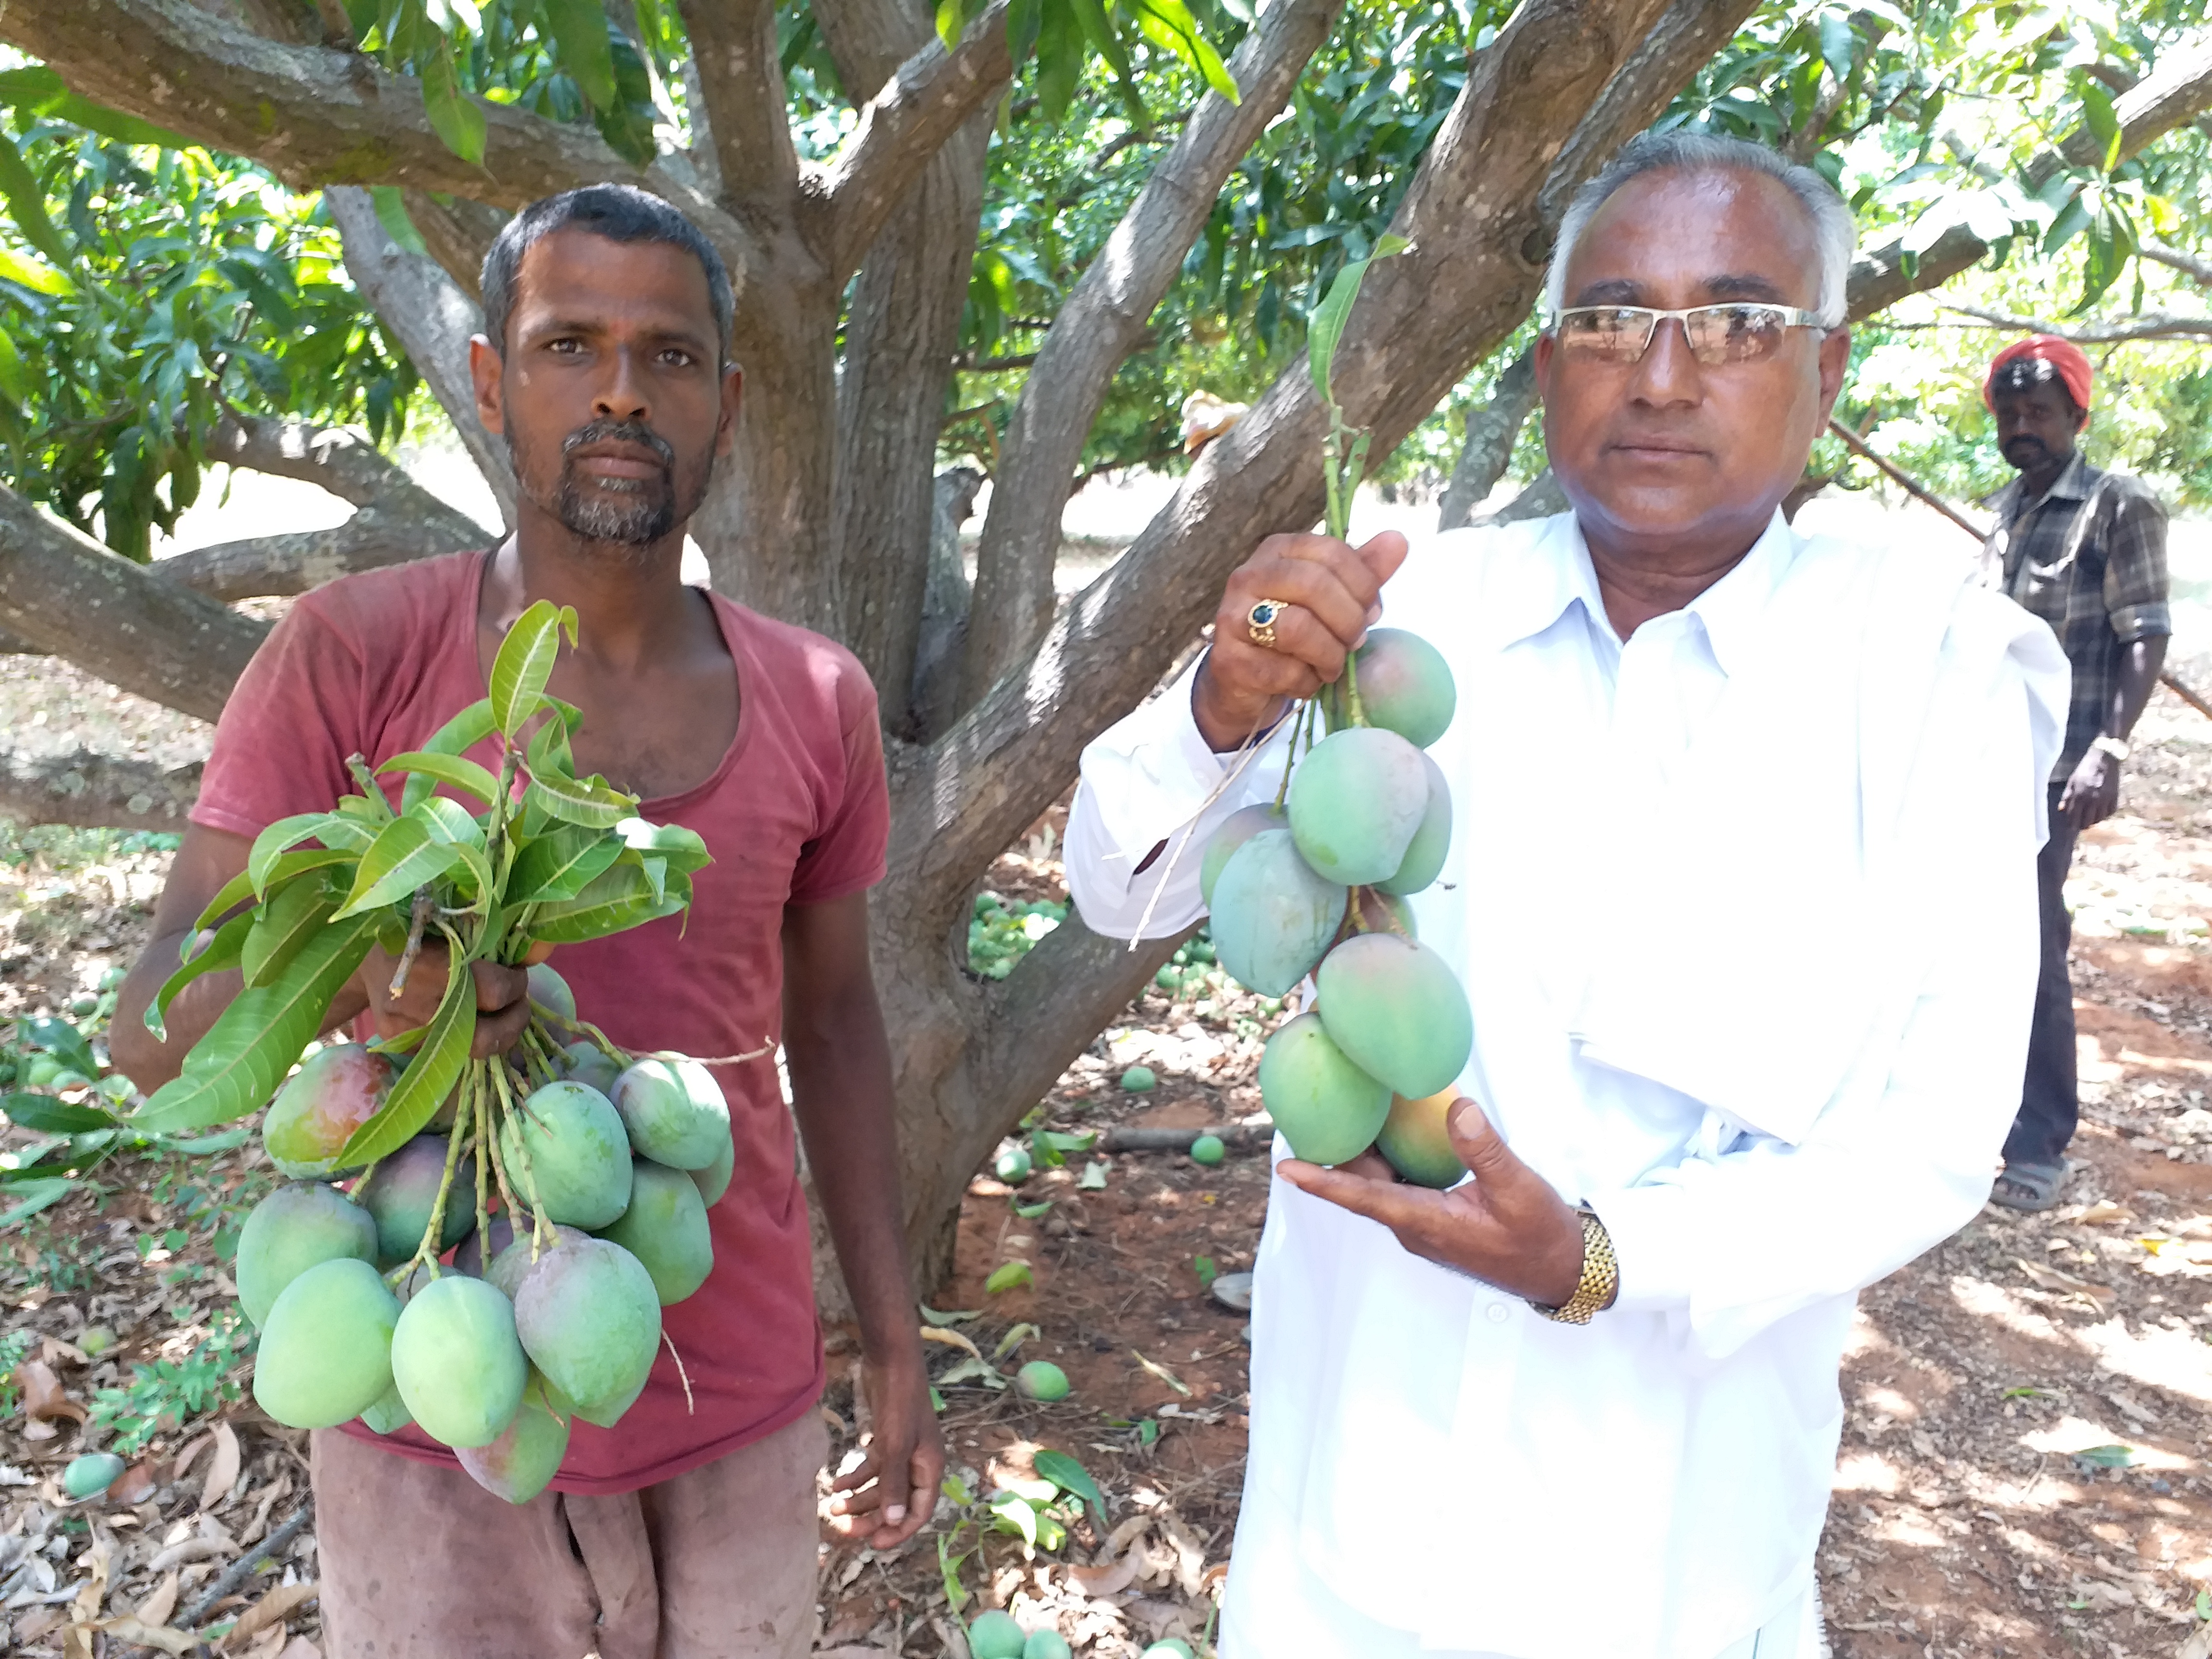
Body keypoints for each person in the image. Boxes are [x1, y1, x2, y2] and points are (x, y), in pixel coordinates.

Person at [1065, 133, 2067, 1659]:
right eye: (1610, 319)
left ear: (1830, 369)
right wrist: (1222, 695)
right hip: (1353, 1531)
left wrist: (1596, 1256)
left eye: (1736, 323)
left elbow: (1935, 1140)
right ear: (1548, 366)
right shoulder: (1402, 626)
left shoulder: (1929, 673)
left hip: (1666, 1559)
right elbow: (1117, 890)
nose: (1662, 376)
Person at [110, 185, 943, 1659]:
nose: (623, 387)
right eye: (571, 343)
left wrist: (890, 1340)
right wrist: (363, 975)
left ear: (728, 409)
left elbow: (837, 1022)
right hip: (442, 1429)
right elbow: (157, 1027)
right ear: (492, 382)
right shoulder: (350, 659)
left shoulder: (822, 698)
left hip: (736, 1408)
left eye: (670, 356)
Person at [1977, 335, 2171, 1212]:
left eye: (2040, 412)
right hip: (1983, 760)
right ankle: (1978, 1110)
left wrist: (2111, 747)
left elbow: (2146, 632)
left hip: (2057, 768)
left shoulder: (2115, 505)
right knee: (1976, 939)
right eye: (2010, 412)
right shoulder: (2004, 508)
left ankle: (2039, 1143)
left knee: (2035, 943)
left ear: (2076, 417)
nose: (2022, 426)